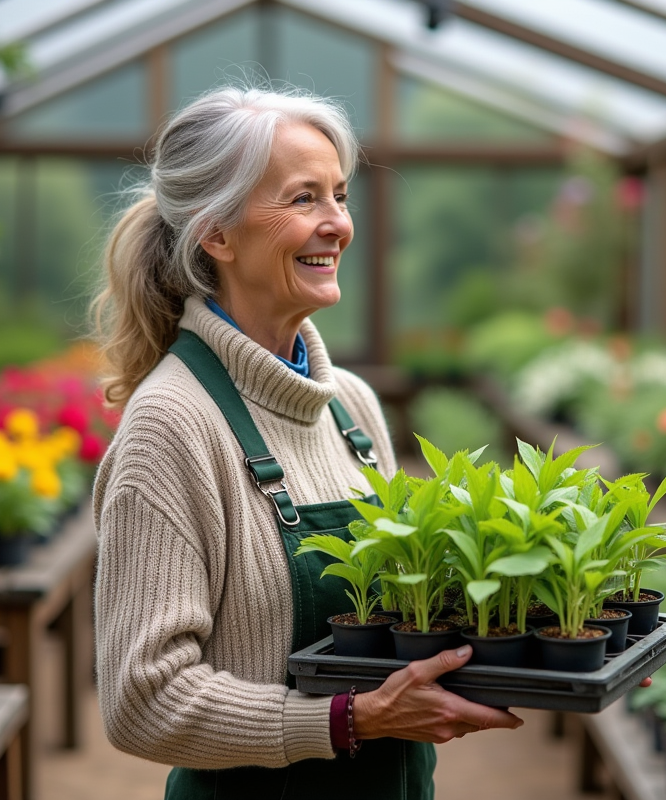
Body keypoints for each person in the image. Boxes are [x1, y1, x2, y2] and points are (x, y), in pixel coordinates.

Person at [88, 86, 525, 800]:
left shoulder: (349, 406)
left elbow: (405, 618)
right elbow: (143, 702)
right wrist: (347, 721)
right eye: (303, 200)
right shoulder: (172, 425)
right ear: (218, 233)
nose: (338, 225)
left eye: (340, 196)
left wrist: (551, 644)